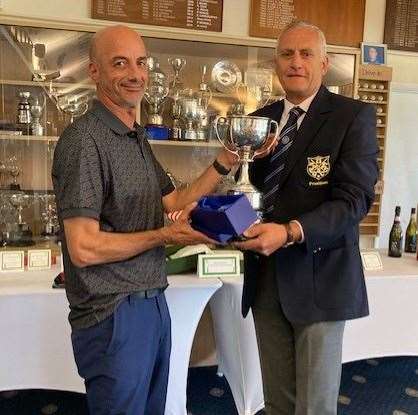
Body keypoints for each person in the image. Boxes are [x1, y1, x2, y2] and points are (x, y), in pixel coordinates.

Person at [52, 25, 238, 415]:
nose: (135, 73)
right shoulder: (84, 141)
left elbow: (178, 199)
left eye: (141, 62)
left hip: (152, 303)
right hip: (113, 315)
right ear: (95, 72)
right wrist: (162, 236)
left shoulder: (134, 137)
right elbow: (83, 247)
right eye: (120, 63)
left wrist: (226, 161)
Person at [233, 21, 378, 415]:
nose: (295, 62)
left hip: (321, 282)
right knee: (278, 403)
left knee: (315, 406)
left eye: (306, 54)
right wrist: (229, 222)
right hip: (265, 281)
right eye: (286, 54)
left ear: (325, 63)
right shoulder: (257, 121)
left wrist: (291, 231)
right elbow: (248, 192)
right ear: (276, 63)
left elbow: (354, 200)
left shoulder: (353, 116)